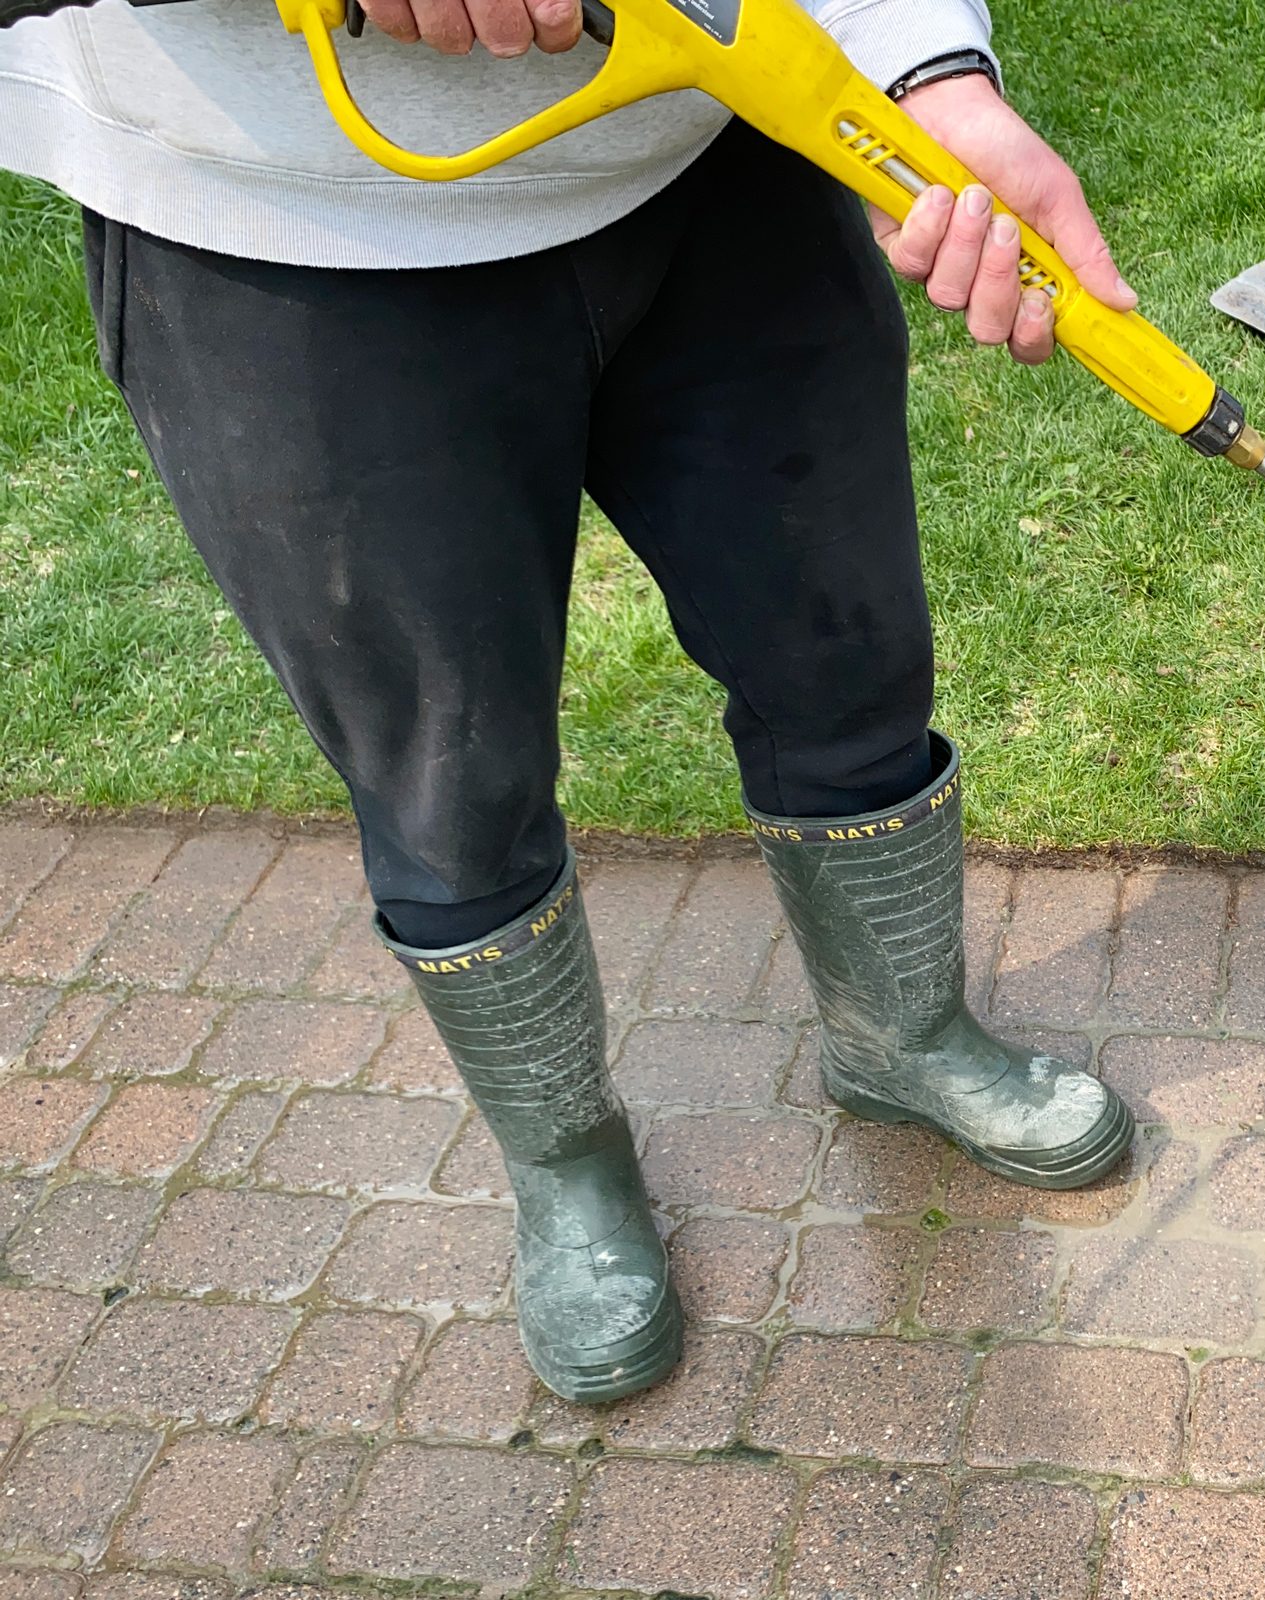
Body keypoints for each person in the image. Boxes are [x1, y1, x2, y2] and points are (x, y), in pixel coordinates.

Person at [0, 0, 1138, 1402]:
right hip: (295, 241)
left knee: (845, 660)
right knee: (451, 785)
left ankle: (901, 1040)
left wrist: (927, 69)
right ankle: (566, 1164)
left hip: (716, 152)